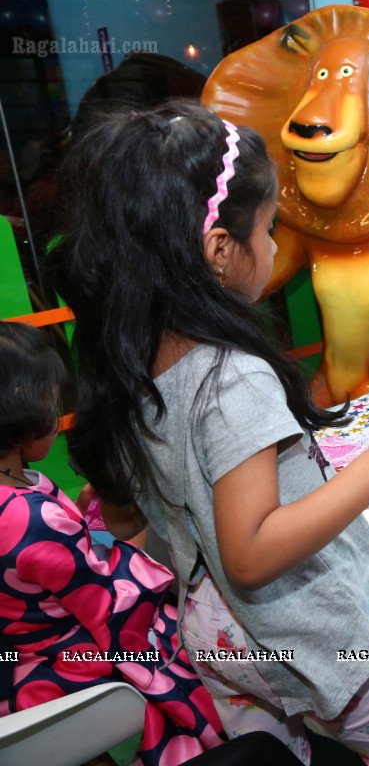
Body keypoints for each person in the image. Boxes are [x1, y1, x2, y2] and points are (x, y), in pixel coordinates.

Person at [48, 101, 369, 765]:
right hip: (300, 635)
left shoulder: (134, 356)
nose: (272, 248)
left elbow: (146, 516)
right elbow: (253, 550)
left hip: (213, 634)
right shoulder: (231, 376)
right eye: (268, 230)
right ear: (219, 251)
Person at [0, 321, 225, 765]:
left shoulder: (21, 490)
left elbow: (66, 564)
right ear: (21, 410)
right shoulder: (29, 517)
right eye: (52, 400)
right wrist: (122, 528)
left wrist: (92, 523)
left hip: (16, 642)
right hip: (62, 654)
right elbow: (112, 603)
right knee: (201, 641)